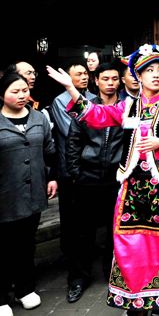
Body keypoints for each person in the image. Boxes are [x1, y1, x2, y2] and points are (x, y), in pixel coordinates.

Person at [47, 43, 159, 314]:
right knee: (130, 246)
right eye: (148, 70)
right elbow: (96, 115)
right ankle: (134, 298)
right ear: (137, 76)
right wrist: (71, 88)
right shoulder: (128, 107)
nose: (155, 75)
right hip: (130, 188)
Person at [0, 72, 56, 316]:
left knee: (26, 244)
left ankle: (25, 289)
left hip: (33, 192)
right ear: (0, 95)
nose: (22, 95)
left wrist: (52, 177)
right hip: (2, 195)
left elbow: (49, 150)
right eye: (15, 91)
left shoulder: (38, 118)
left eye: (24, 90)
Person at [66, 62, 125, 301]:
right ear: (96, 80)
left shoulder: (127, 107)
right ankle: (78, 279)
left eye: (114, 79)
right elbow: (73, 142)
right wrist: (76, 172)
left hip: (116, 178)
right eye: (105, 79)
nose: (110, 83)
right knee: (82, 233)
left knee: (116, 232)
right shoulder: (85, 107)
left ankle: (114, 275)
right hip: (87, 177)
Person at [46, 61, 96, 303]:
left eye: (86, 73)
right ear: (68, 77)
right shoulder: (60, 101)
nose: (84, 77)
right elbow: (74, 130)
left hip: (97, 169)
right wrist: (98, 130)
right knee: (73, 222)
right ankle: (75, 270)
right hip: (73, 169)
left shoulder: (95, 97)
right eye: (78, 74)